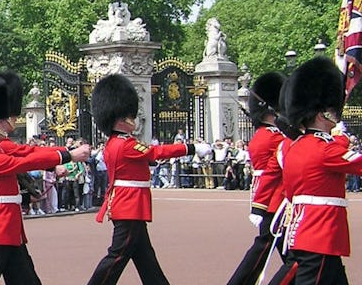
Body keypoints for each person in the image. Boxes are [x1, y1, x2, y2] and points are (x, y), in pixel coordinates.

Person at [0, 72, 90, 284]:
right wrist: (67, 156)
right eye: (3, 118)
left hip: (9, 224)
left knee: (24, 278)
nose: (9, 122)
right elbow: (26, 163)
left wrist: (64, 152)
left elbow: (28, 153)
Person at [87, 74, 211, 285]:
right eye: (130, 116)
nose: (133, 120)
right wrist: (190, 148)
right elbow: (156, 152)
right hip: (129, 205)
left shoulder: (115, 143)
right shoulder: (126, 144)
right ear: (119, 118)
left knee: (146, 259)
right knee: (117, 256)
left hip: (129, 203)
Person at [265, 57, 357, 284]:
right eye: (331, 111)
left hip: (305, 232)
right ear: (320, 114)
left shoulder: (294, 147)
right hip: (321, 234)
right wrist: (342, 136)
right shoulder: (324, 150)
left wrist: (339, 138)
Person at [226, 72, 289, 285]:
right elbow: (275, 169)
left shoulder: (265, 135)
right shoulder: (274, 138)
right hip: (276, 201)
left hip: (270, 199)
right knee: (296, 257)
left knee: (277, 251)